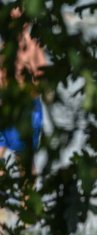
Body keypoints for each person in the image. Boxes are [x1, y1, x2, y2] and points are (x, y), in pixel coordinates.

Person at [0, 7, 46, 162]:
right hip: (5, 107)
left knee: (24, 160)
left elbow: (42, 79)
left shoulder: (33, 46)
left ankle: (27, 186)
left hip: (26, 109)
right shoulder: (5, 47)